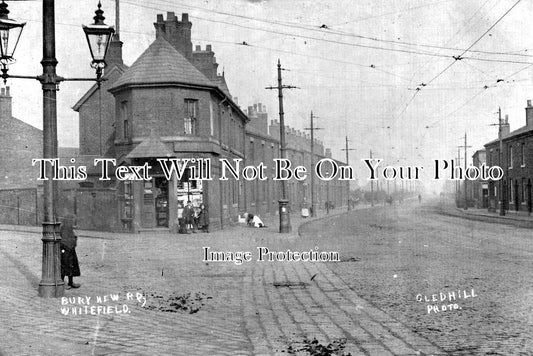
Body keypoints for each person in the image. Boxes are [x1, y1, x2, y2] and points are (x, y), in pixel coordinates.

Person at [60, 214, 81, 289]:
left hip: (71, 249)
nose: (72, 222)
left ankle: (70, 282)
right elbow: (64, 240)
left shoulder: (70, 228)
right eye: (71, 220)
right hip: (66, 250)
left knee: (71, 266)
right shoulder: (64, 228)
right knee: (65, 266)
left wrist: (75, 238)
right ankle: (61, 283)